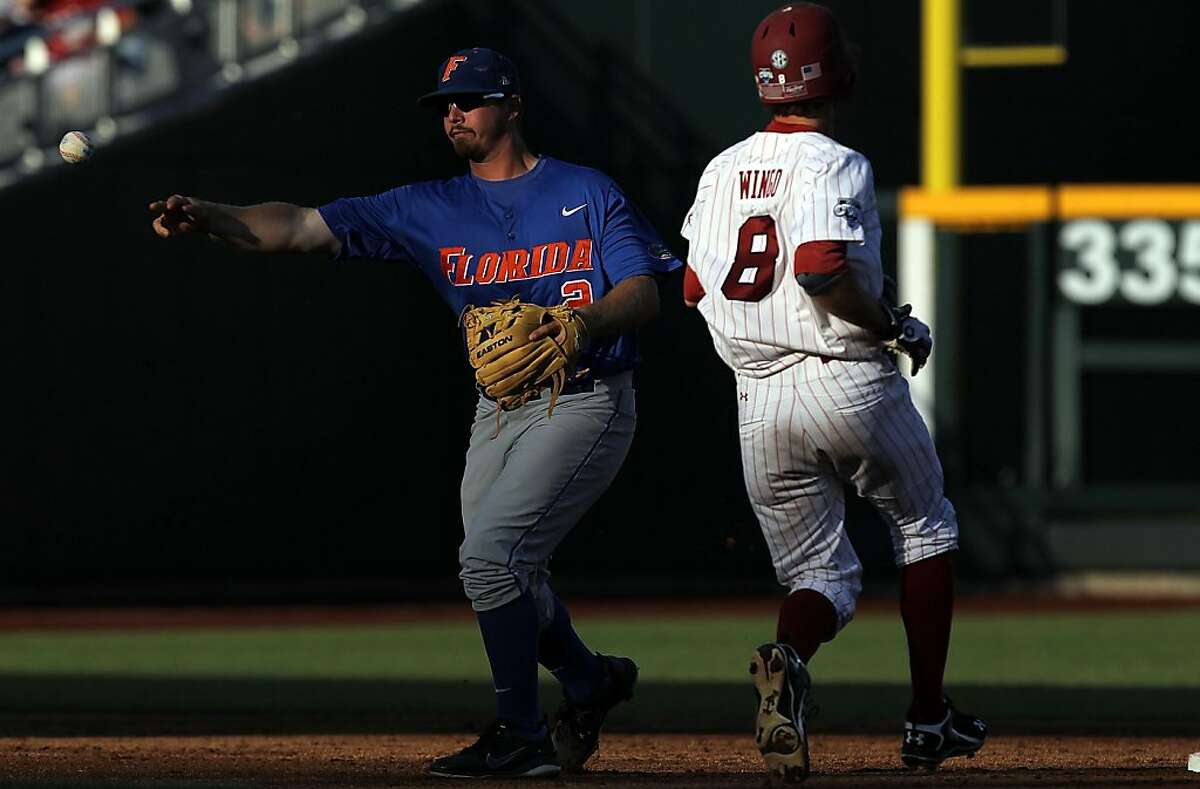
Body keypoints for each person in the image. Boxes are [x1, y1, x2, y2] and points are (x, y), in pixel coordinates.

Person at [149, 47, 679, 779]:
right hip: (495, 412)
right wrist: (213, 217)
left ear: (513, 105)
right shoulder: (427, 206)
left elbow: (646, 291)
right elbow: (301, 225)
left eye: (469, 98)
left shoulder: (586, 192)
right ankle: (591, 680)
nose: (453, 111)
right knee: (506, 573)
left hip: (587, 400)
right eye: (443, 103)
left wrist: (581, 324)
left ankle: (522, 734)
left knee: (489, 559)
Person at [679, 4, 986, 782]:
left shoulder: (719, 169)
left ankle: (788, 655)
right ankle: (926, 718)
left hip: (757, 398)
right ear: (835, 72)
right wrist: (893, 326)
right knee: (925, 526)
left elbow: (690, 286)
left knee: (821, 575)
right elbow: (819, 266)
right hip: (843, 375)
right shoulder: (834, 160)